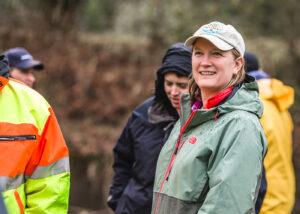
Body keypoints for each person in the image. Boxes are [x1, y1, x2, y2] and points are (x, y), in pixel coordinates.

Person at [151, 21, 268, 214]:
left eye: (216, 54)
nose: (205, 62)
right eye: (198, 53)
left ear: (237, 64)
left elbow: (227, 208)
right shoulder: (190, 115)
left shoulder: (240, 126)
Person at [107, 42, 192, 214]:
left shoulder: (207, 120)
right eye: (169, 83)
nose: (174, 92)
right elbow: (123, 159)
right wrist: (118, 200)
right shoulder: (143, 115)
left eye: (182, 85)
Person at [0, 55, 70, 213]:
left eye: (32, 72)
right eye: (25, 71)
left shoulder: (35, 107)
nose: (32, 78)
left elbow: (49, 187)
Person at [244, 52, 295, 213]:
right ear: (260, 69)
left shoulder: (252, 105)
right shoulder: (278, 102)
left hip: (265, 201)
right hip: (284, 194)